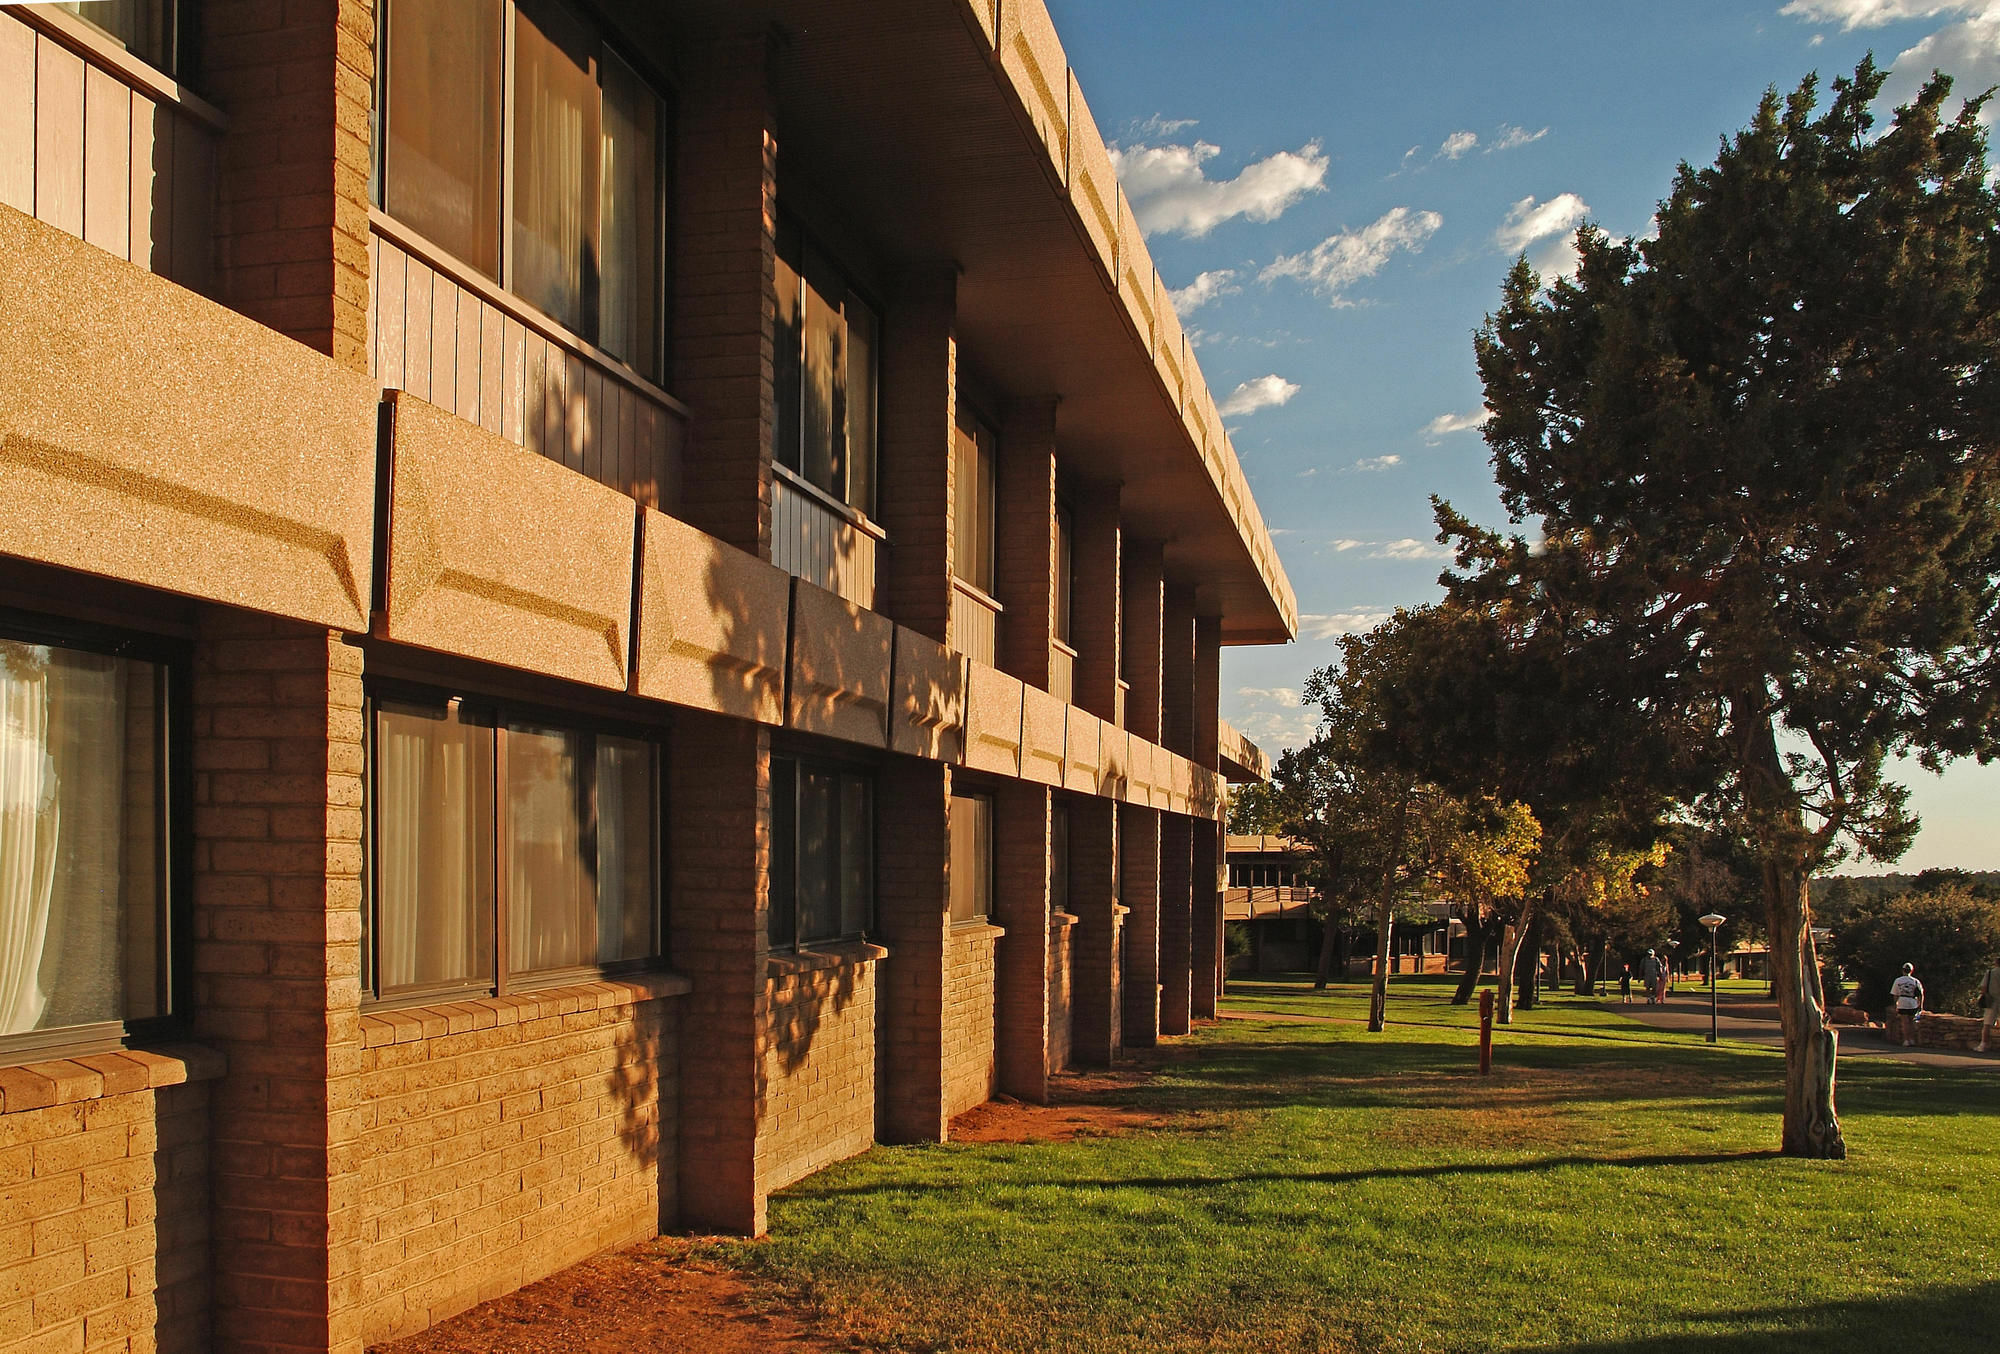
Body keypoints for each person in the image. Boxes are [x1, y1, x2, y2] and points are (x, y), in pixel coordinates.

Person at [1890, 963, 1925, 1047]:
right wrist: (1921, 1005)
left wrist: (1895, 1005)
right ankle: (1912, 1039)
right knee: (1912, 1022)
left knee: (1904, 1022)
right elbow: (1921, 994)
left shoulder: (1898, 980)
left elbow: (1895, 994)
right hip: (1912, 1002)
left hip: (1902, 1002)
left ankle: (1906, 1040)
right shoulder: (1915, 981)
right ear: (1912, 971)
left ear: (1902, 970)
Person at [1978, 958, 2000, 1054]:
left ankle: (1983, 1044)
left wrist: (1984, 995)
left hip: (1992, 1000)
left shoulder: (1990, 973)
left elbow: (1983, 987)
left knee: (1987, 1024)